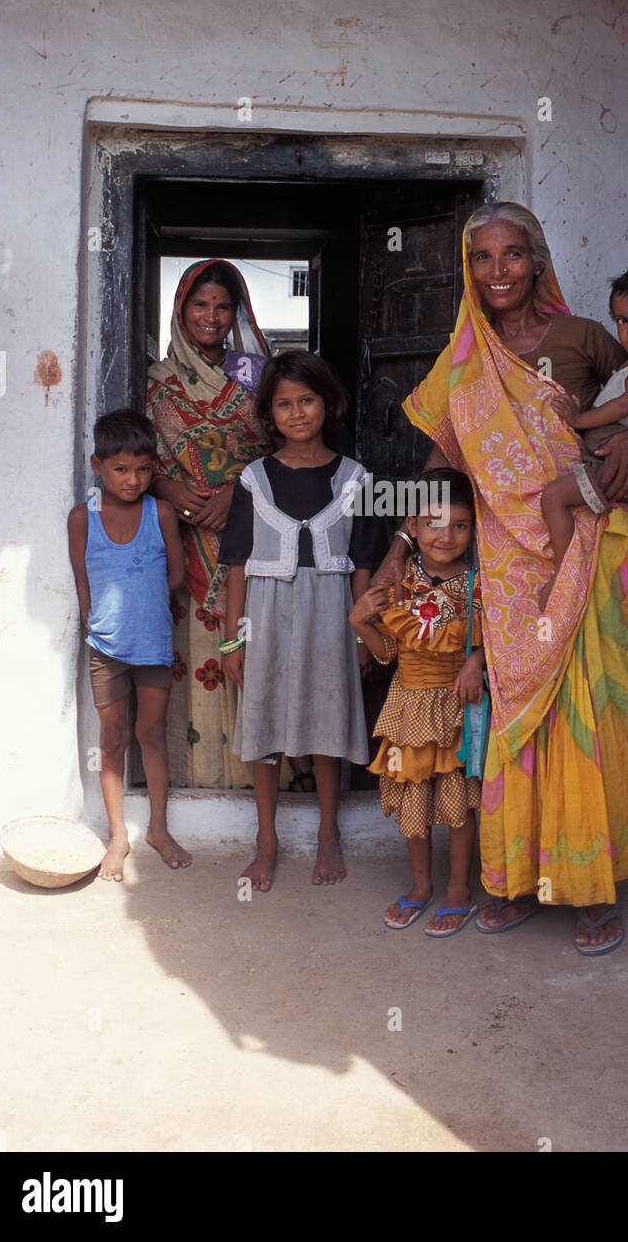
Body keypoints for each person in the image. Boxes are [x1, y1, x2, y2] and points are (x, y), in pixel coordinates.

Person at [374, 201, 628, 954]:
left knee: (593, 719)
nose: (497, 270)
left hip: (592, 547)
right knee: (515, 725)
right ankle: (516, 882)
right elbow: (443, 461)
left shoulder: (582, 337)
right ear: (469, 270)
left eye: (512, 255)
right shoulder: (465, 358)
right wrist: (398, 545)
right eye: (482, 257)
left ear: (536, 261)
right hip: (510, 567)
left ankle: (592, 889)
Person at [220, 351, 386, 891]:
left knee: (329, 718)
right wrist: (232, 643)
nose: (297, 413)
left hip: (333, 614)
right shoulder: (253, 480)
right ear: (269, 413)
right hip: (265, 617)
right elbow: (237, 568)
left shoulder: (355, 477)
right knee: (263, 718)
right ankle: (265, 839)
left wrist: (364, 632)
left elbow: (363, 563)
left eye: (307, 400)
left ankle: (327, 834)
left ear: (327, 403)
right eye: (284, 404)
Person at [146, 260, 271, 790]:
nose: (212, 316)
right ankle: (196, 776)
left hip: (250, 538)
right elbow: (131, 458)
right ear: (181, 308)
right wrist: (169, 489)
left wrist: (235, 493)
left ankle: (256, 777)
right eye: (201, 305)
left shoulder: (257, 374)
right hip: (180, 541)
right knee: (192, 654)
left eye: (223, 306)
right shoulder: (158, 380)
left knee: (249, 649)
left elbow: (283, 447)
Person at [351, 470, 486, 937]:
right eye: (433, 523)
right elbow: (388, 653)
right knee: (415, 796)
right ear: (414, 525)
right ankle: (421, 885)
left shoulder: (477, 584)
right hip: (407, 709)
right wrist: (360, 623)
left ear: (475, 528)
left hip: (456, 705)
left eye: (461, 526)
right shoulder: (401, 583)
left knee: (459, 803)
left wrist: (476, 662)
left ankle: (458, 890)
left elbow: (500, 642)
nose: (446, 536)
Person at [67, 409, 190, 881]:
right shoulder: (83, 518)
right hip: (106, 648)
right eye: (120, 469)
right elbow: (84, 583)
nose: (133, 479)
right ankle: (118, 834)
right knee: (113, 739)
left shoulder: (159, 512)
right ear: (97, 465)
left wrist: (150, 604)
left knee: (152, 735)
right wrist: (95, 626)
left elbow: (176, 575)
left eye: (143, 470)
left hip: (154, 643)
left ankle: (158, 829)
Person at [539, 266, 628, 612]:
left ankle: (562, 573)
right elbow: (610, 397)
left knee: (554, 497)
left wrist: (577, 419)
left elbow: (624, 405)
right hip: (598, 458)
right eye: (621, 320)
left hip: (611, 464)